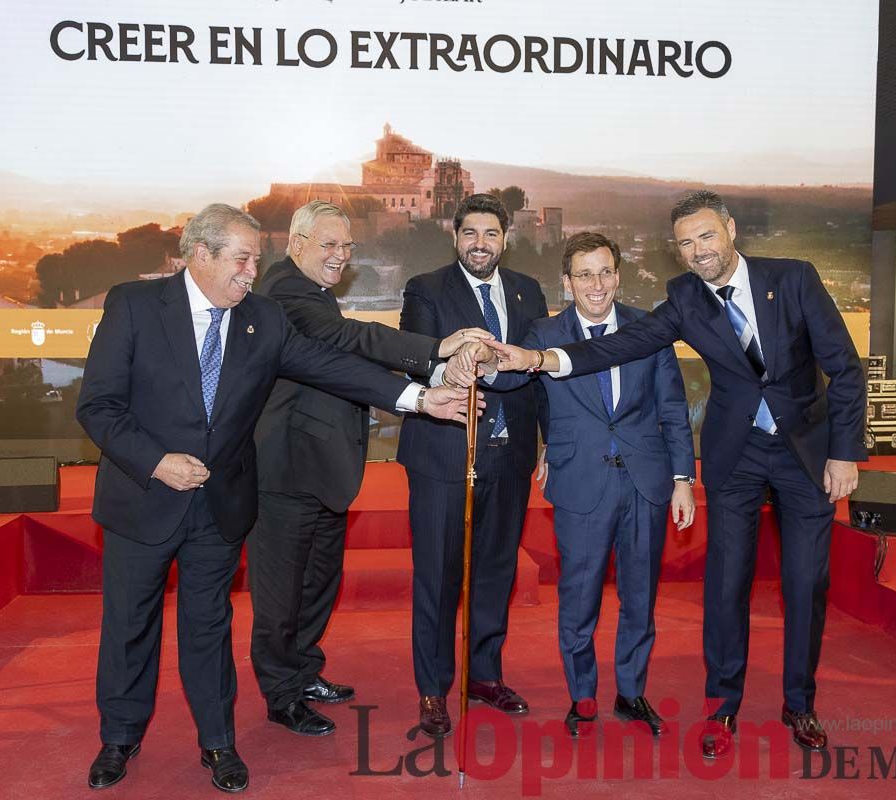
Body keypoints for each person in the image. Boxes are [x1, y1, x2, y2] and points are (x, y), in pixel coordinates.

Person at [76, 203, 475, 792]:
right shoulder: (133, 307)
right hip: (143, 498)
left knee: (207, 628)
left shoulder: (261, 318)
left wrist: (419, 398)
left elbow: (331, 367)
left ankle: (218, 743)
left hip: (220, 503)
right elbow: (99, 406)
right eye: (239, 260)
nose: (249, 272)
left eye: (254, 260)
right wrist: (157, 462)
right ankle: (119, 737)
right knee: (130, 626)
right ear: (200, 254)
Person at [487, 190, 866, 758]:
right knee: (726, 582)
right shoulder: (684, 298)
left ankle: (799, 703)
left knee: (806, 584)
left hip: (805, 453)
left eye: (706, 236)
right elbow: (623, 345)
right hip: (735, 456)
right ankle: (722, 707)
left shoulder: (793, 278)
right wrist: (540, 359)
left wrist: (845, 453)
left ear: (730, 229)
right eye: (686, 243)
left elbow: (843, 365)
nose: (697, 251)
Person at [249, 201, 492, 737]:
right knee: (280, 595)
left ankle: (305, 671)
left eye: (347, 246)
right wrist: (434, 351)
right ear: (297, 245)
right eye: (328, 245)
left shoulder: (314, 293)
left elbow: (347, 357)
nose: (340, 256)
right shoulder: (286, 291)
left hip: (324, 470)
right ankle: (281, 694)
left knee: (316, 584)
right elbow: (348, 341)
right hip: (285, 471)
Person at [510, 232, 697, 737]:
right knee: (579, 597)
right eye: (584, 274)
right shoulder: (543, 334)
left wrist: (684, 478)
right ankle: (584, 696)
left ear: (618, 274)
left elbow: (672, 405)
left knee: (640, 597)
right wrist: (482, 360)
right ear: (567, 282)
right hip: (580, 482)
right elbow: (518, 387)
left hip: (647, 481)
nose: (597, 284)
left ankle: (632, 693)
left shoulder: (648, 329)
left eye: (605, 272)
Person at [397, 193, 549, 738]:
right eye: (470, 234)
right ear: (454, 237)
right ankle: (434, 688)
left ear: (504, 238)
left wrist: (549, 443)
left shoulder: (529, 290)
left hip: (511, 456)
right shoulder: (426, 288)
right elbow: (417, 356)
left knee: (496, 571)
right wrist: (461, 365)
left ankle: (484, 675)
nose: (480, 244)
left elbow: (541, 368)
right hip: (444, 454)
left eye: (490, 234)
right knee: (438, 577)